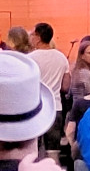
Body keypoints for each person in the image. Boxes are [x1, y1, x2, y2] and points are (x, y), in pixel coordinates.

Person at [26, 23, 69, 155]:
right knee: (53, 152)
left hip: (35, 108)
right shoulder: (61, 57)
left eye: (32, 34)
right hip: (55, 108)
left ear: (38, 37)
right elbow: (65, 87)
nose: (30, 37)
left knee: (33, 151)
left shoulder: (30, 59)